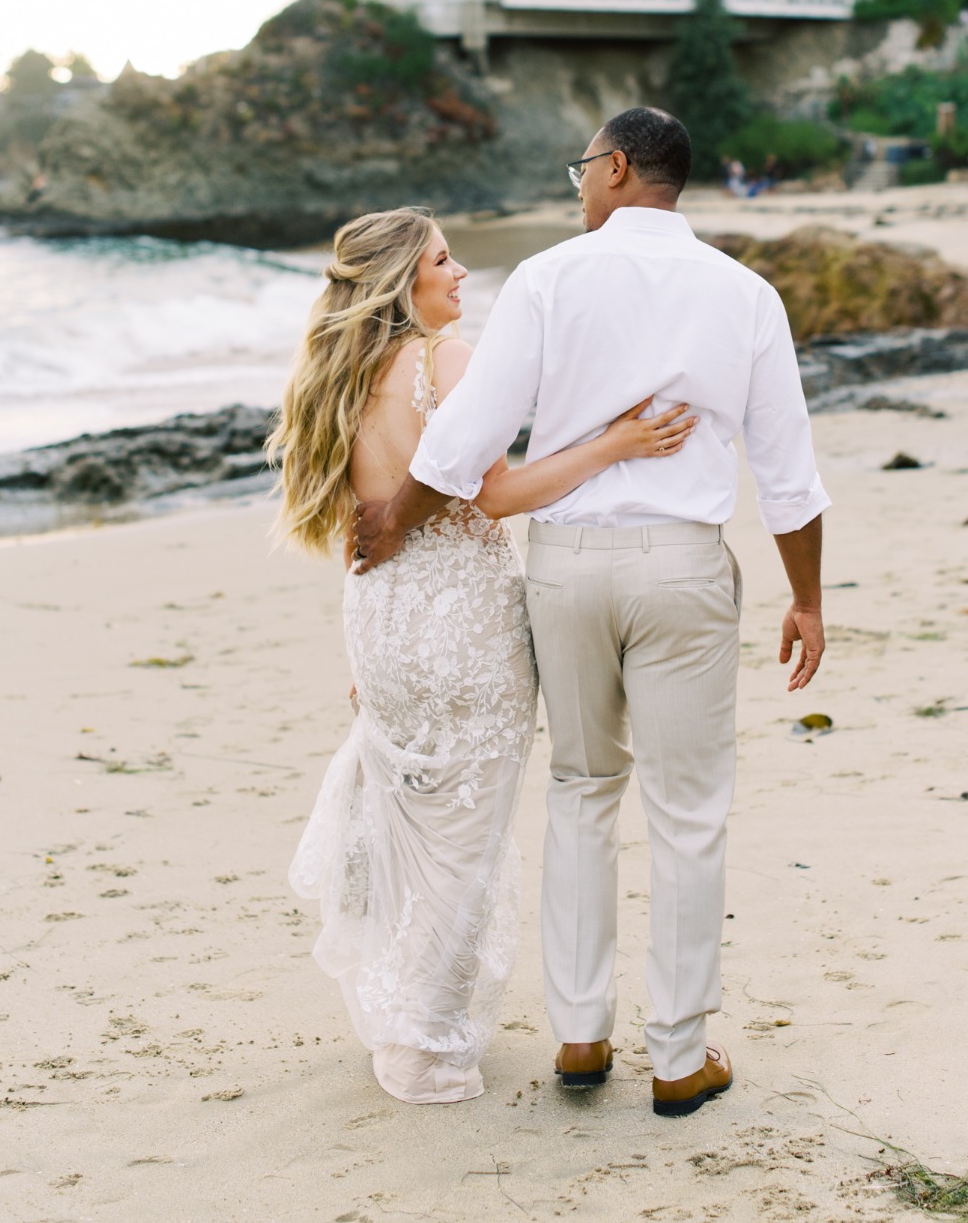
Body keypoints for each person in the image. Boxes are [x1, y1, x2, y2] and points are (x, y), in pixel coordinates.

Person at [353, 108, 830, 1120]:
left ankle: (580, 1035)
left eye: (583, 168)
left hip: (565, 568)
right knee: (689, 812)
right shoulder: (744, 294)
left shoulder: (548, 280)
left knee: (581, 788)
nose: (578, 187)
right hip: (681, 566)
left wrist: (392, 522)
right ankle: (679, 1055)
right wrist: (808, 597)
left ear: (616, 168)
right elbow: (789, 475)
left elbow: (462, 445)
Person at [269, 208, 695, 1106]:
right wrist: (615, 443)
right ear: (401, 281)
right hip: (464, 623)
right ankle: (422, 1043)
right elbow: (494, 494)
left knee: (409, 824)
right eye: (441, 259)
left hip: (382, 619)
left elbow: (371, 514)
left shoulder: (331, 378)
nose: (460, 273)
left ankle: (401, 1015)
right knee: (463, 845)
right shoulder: (444, 362)